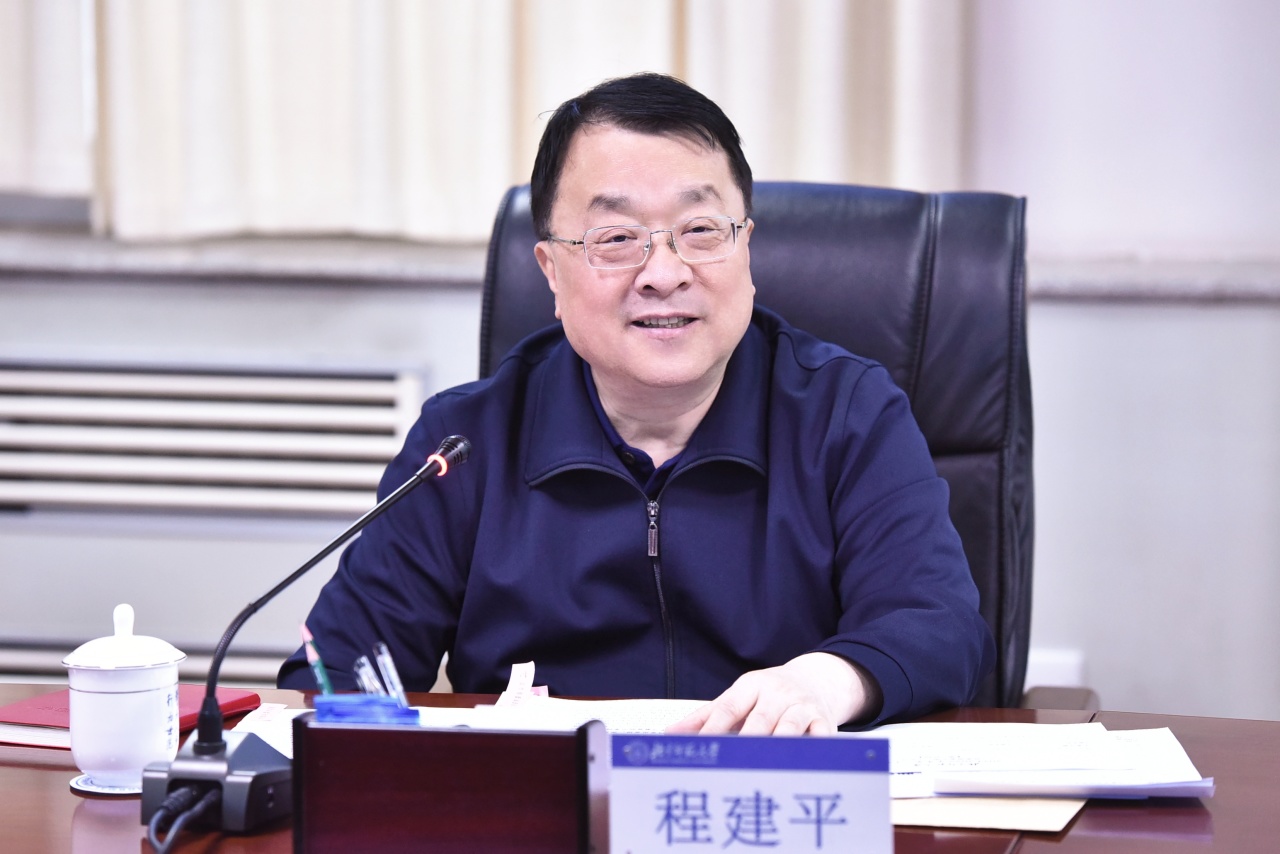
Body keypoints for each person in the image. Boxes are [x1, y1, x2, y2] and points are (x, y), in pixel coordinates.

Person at [279, 72, 994, 734]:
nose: (664, 272)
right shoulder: (467, 441)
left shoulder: (848, 414)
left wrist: (827, 681)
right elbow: (338, 673)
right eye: (616, 238)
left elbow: (939, 624)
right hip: (544, 803)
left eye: (701, 231)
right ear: (551, 270)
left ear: (746, 249)